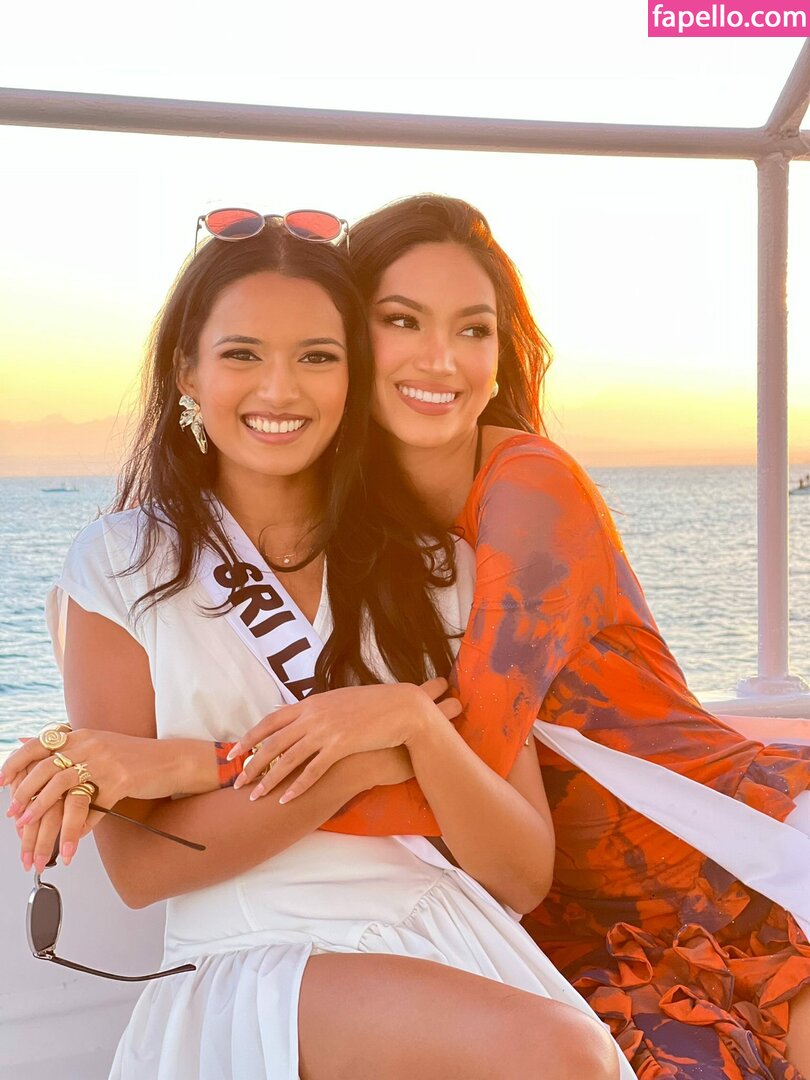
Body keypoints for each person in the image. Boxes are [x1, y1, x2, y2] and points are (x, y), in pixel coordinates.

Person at [2, 211, 626, 1080]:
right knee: (561, 1055)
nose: (280, 389)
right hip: (257, 966)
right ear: (186, 369)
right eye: (242, 354)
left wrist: (416, 726)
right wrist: (362, 759)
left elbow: (520, 874)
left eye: (317, 357)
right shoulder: (123, 564)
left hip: (454, 943)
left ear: (353, 375)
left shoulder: (438, 569)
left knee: (572, 1051)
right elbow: (142, 868)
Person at [262, 192, 809, 1080]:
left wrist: (191, 777)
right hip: (574, 918)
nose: (441, 359)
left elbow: (475, 755)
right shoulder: (360, 528)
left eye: (473, 330)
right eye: (402, 320)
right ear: (349, 338)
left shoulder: (528, 490)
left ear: (500, 355)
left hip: (727, 858)